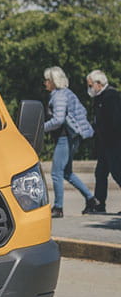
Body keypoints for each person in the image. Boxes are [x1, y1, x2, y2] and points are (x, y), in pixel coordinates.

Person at [42, 66, 100, 218]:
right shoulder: (67, 93)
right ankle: (91, 199)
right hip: (72, 137)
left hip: (64, 137)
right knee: (67, 172)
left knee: (56, 173)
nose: (45, 83)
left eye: (47, 80)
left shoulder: (59, 96)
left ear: (54, 81)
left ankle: (58, 207)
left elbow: (58, 120)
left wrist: (41, 128)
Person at [86, 70, 121, 214]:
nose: (89, 89)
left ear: (99, 84)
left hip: (114, 142)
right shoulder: (99, 98)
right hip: (103, 143)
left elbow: (115, 121)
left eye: (90, 85)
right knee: (100, 173)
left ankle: (99, 203)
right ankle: (99, 203)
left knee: (118, 173)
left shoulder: (111, 97)